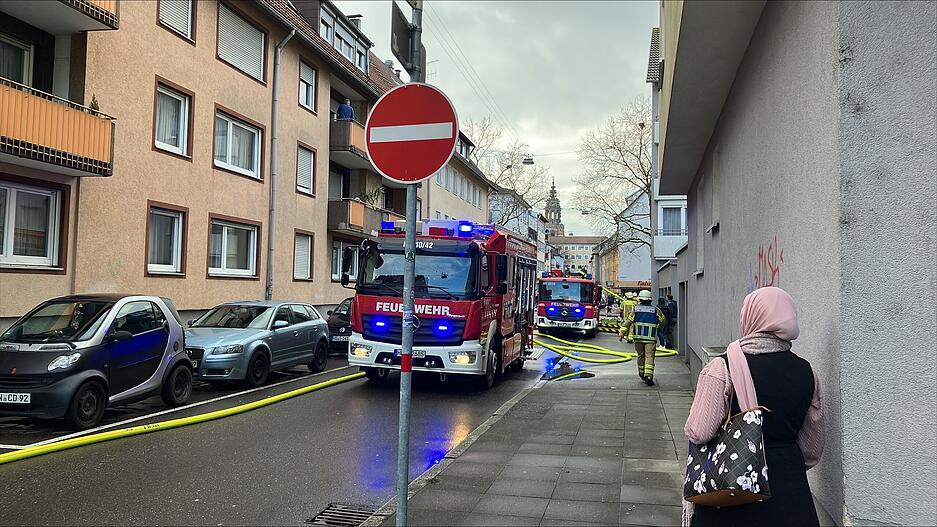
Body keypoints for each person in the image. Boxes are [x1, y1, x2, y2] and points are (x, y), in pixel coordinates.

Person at [683, 287, 824, 527]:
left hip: (732, 490)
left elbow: (700, 431)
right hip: (790, 492)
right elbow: (812, 449)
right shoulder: (808, 373)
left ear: (749, 316)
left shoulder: (722, 368)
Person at [620, 289, 665, 385]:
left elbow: (628, 322)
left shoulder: (636, 309)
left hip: (638, 338)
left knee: (641, 355)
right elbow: (663, 321)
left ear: (640, 299)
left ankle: (641, 373)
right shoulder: (656, 310)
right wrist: (659, 327)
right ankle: (648, 376)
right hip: (651, 339)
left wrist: (621, 334)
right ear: (650, 300)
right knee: (649, 356)